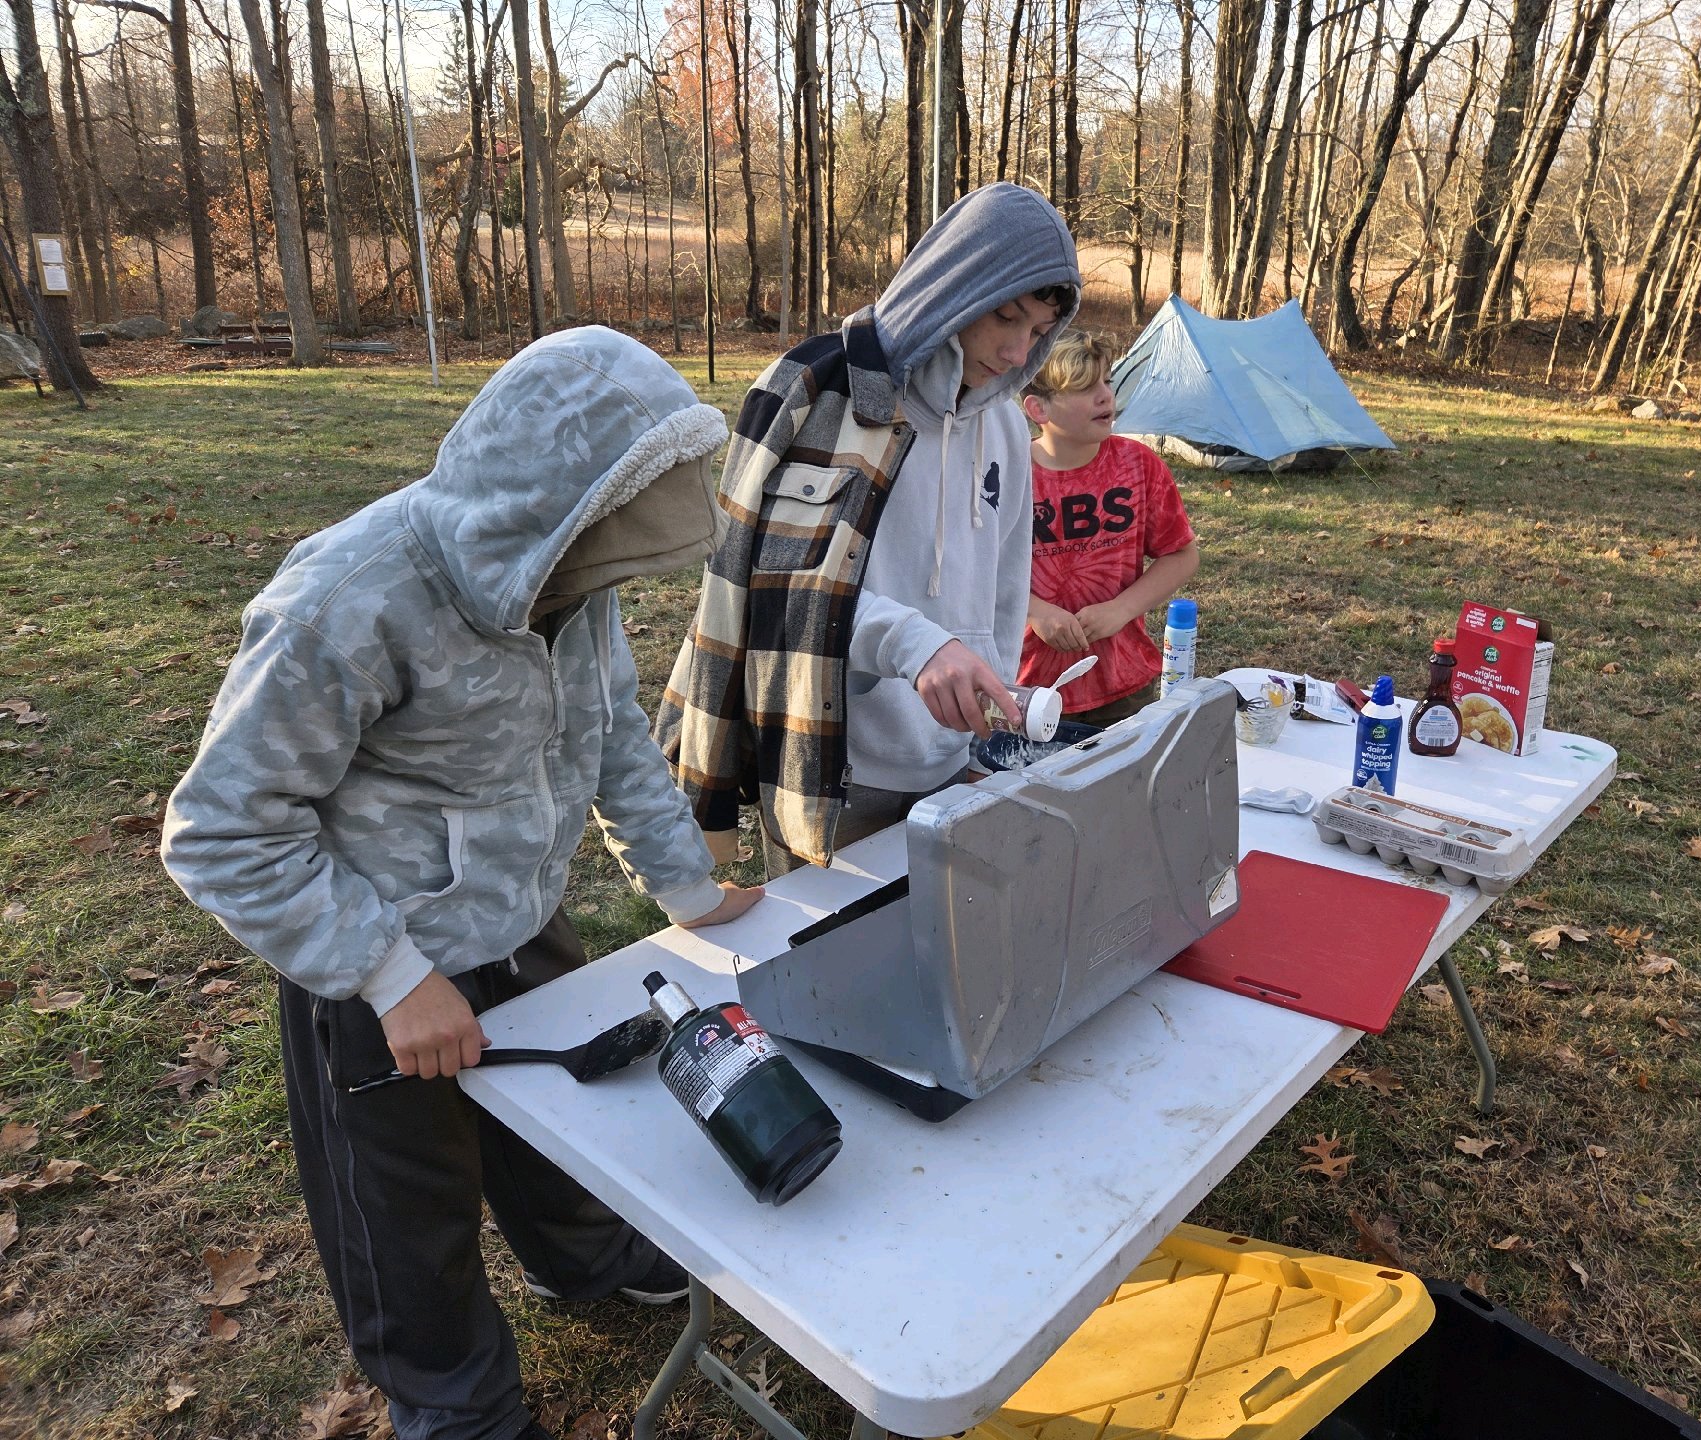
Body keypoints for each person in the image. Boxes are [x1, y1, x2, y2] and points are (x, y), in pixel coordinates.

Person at [161, 327, 761, 1440]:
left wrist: (688, 888)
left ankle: (582, 1258)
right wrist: (391, 978)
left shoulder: (572, 582)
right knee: (404, 1213)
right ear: (545, 508)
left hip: (521, 918)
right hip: (370, 955)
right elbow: (220, 828)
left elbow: (612, 730)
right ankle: (454, 1402)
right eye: (601, 555)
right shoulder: (348, 599)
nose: (605, 582)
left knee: (561, 1120)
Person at [658, 182, 1082, 876]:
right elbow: (773, 591)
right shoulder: (823, 392)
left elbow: (1006, 585)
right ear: (955, 288)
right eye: (1005, 317)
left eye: (1037, 333)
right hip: (832, 760)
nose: (1015, 352)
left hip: (954, 757)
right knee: (831, 969)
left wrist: (993, 718)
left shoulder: (1005, 422)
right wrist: (914, 644)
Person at [1018, 330, 1200, 725]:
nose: (1105, 396)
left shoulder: (1138, 465)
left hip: (1123, 683)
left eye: (1107, 381)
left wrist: (1122, 609)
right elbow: (974, 572)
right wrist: (1034, 612)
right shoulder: (1006, 472)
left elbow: (1182, 555)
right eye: (1085, 387)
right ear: (1039, 409)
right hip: (1025, 688)